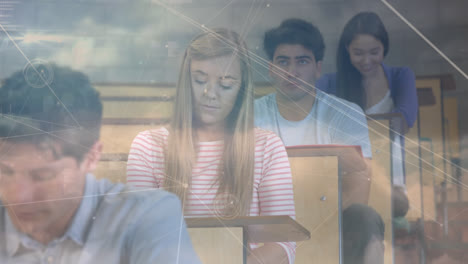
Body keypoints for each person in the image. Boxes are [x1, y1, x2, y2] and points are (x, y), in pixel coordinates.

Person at [127, 28, 296, 264]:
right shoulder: (148, 146)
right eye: (199, 80)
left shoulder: (267, 147)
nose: (210, 94)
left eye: (226, 85)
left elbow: (283, 244)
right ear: (186, 81)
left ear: (241, 89)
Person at [0, 64, 200, 263]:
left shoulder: (150, 216)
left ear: (92, 157)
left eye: (42, 176)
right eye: (5, 171)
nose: (19, 195)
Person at [255, 18, 372, 207]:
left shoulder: (345, 113)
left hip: (331, 220)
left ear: (318, 69)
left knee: (364, 219)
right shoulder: (252, 115)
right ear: (271, 69)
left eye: (302, 61)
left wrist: (325, 229)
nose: (291, 72)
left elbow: (358, 191)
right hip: (269, 221)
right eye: (283, 62)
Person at [316, 12, 418, 187]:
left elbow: (403, 122)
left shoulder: (401, 77)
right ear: (347, 48)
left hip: (390, 178)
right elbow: (314, 127)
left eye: (374, 52)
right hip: (345, 179)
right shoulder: (329, 83)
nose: (366, 60)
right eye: (358, 53)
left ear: (384, 48)